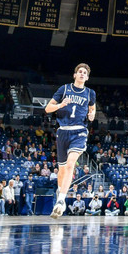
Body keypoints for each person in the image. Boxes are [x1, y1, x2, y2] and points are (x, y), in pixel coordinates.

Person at [45, 63, 97, 218]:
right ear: (75, 75)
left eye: (84, 73)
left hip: (79, 132)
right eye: (79, 72)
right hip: (63, 132)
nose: (82, 74)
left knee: (70, 165)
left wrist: (92, 114)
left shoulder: (90, 93)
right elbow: (48, 109)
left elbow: (92, 108)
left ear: (87, 77)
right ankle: (60, 196)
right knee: (61, 171)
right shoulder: (64, 89)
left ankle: (61, 199)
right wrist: (61, 104)